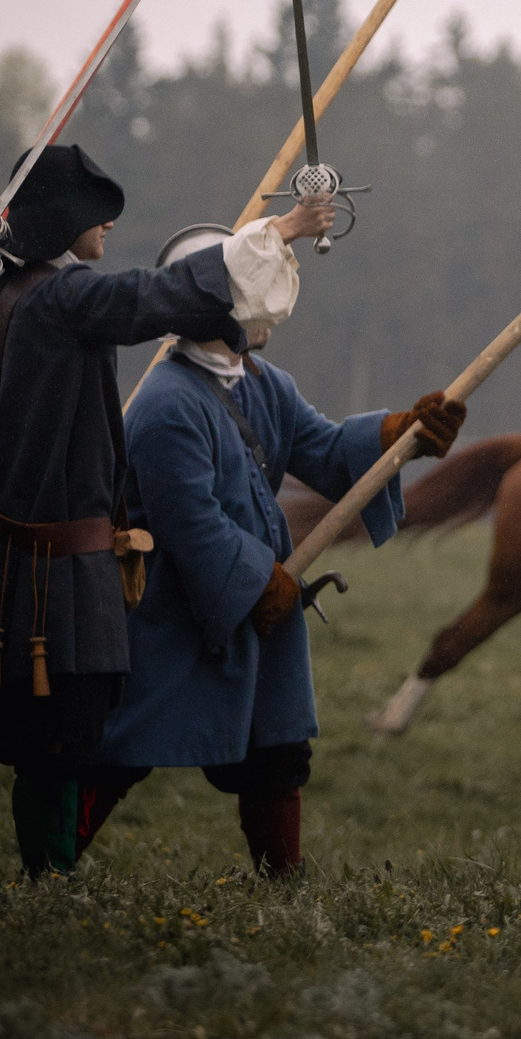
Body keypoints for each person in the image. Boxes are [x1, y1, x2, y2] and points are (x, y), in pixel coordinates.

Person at [0, 144, 334, 877]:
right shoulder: (59, 298)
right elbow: (153, 297)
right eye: (95, 210)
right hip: (55, 576)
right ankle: (38, 881)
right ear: (60, 217)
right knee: (57, 741)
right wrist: (281, 230)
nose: (107, 223)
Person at [80, 223, 464, 876]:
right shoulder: (167, 403)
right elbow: (192, 524)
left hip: (251, 606)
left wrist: (403, 433)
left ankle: (282, 884)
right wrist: (262, 583)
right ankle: (53, 867)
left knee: (277, 752)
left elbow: (329, 452)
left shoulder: (266, 384)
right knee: (121, 752)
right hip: (174, 614)